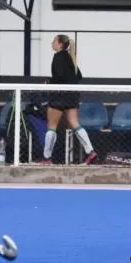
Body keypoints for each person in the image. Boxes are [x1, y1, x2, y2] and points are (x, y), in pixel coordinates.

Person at [42, 34, 97, 165]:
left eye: (54, 41)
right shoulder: (70, 58)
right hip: (72, 95)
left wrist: (49, 82)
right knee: (75, 123)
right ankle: (90, 151)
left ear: (60, 44)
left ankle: (46, 157)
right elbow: (79, 76)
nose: (52, 43)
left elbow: (59, 76)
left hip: (59, 96)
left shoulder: (58, 57)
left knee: (52, 126)